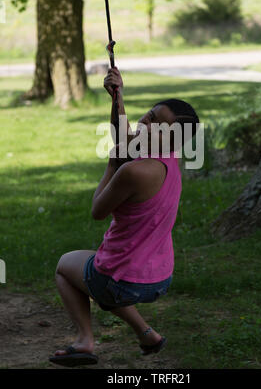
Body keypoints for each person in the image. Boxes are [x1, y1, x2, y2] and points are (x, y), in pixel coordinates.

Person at [49, 67, 199, 367]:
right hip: (159, 277)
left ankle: (85, 340)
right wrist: (117, 97)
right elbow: (126, 136)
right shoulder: (169, 159)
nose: (144, 122)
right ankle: (147, 335)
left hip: (124, 280)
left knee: (66, 267)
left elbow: (97, 211)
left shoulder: (133, 171)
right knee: (108, 281)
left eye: (154, 122)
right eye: (148, 114)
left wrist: (111, 166)